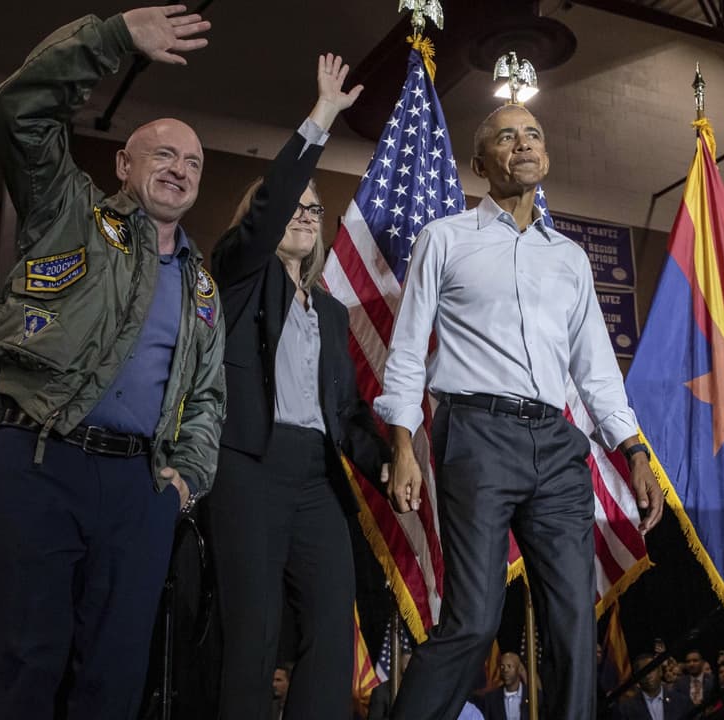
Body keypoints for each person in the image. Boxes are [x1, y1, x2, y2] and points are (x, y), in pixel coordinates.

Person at [377, 101, 664, 720]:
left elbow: (596, 369)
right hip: (476, 438)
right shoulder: (445, 238)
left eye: (533, 133)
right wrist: (402, 444)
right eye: (506, 137)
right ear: (481, 164)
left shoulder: (570, 258)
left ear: (547, 155)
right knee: (475, 621)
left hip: (558, 447)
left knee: (572, 628)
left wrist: (634, 452)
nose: (523, 143)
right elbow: (404, 351)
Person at [0, 6, 224, 719]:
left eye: (194, 162)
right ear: (124, 163)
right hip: (39, 463)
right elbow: (19, 109)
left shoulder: (203, 287)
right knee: (26, 665)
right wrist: (110, 39)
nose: (179, 169)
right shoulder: (68, 213)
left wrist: (184, 484)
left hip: (138, 489)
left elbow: (207, 399)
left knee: (115, 685)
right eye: (163, 154)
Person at [206, 54, 386, 720]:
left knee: (332, 634)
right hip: (250, 466)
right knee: (253, 635)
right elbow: (270, 208)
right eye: (292, 205)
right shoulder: (240, 274)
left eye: (315, 207)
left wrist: (392, 458)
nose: (305, 213)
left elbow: (344, 412)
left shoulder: (332, 312)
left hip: (318, 479)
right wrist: (323, 117)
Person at [618, 655, 692, 720]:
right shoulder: (626, 709)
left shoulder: (681, 702)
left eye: (651, 670)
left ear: (660, 671)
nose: (648, 676)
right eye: (643, 672)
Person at [477, 653, 535, 720]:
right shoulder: (490, 699)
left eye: (509, 666)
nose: (505, 670)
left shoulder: (533, 696)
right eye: (502, 666)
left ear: (519, 669)